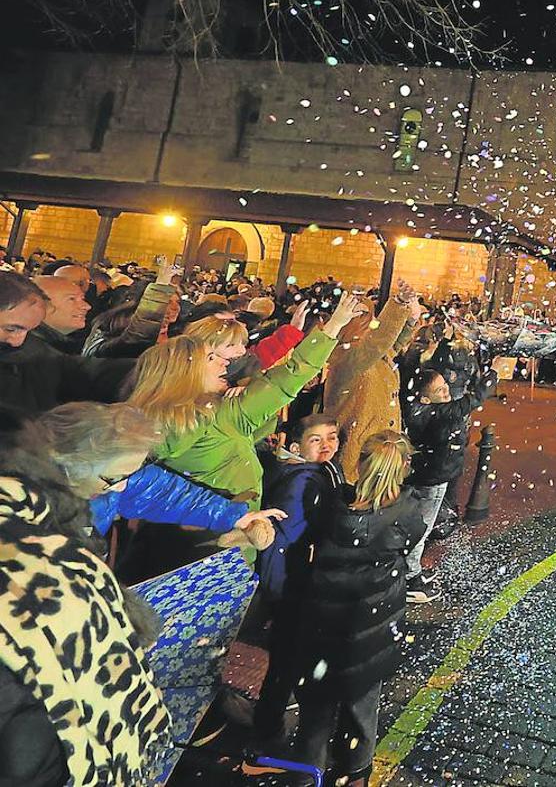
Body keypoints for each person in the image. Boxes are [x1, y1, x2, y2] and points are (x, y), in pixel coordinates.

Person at [123, 291, 363, 575]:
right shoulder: (222, 412)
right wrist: (332, 328)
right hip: (232, 540)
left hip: (171, 547)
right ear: (185, 375)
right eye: (212, 357)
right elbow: (285, 379)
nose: (226, 362)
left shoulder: (137, 426)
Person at [0, 403, 174, 785]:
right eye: (114, 478)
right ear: (69, 461)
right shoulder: (47, 551)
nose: (122, 486)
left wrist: (234, 516)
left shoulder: (48, 505)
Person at [286, 430, 426, 787]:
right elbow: (412, 534)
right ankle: (356, 773)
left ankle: (307, 775)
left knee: (316, 712)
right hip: (372, 632)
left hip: (322, 628)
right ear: (402, 469)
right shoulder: (407, 512)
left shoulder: (333, 509)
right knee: (363, 709)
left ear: (362, 465)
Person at [251, 413, 348, 749]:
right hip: (292, 582)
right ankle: (266, 736)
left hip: (292, 580)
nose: (327, 445)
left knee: (286, 653)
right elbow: (291, 538)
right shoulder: (301, 483)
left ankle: (269, 722)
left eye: (332, 436)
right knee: (286, 657)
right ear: (296, 447)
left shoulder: (311, 471)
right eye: (316, 440)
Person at [402, 365, 496, 601]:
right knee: (421, 529)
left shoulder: (429, 409)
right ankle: (409, 578)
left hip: (436, 475)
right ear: (425, 398)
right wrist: (486, 382)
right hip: (431, 479)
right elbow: (463, 405)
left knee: (423, 526)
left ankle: (413, 571)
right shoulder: (428, 412)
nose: (446, 393)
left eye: (446, 388)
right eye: (440, 390)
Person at [322, 286, 422, 483]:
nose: (368, 321)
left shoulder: (370, 354)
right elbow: (376, 344)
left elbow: (390, 347)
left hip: (379, 455)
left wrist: (410, 321)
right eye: (359, 315)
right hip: (360, 458)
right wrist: (399, 304)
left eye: (368, 315)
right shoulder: (345, 357)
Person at [0, 272, 133, 415]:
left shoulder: (32, 353)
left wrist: (151, 367)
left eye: (29, 330)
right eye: (11, 329)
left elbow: (84, 370)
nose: (18, 341)